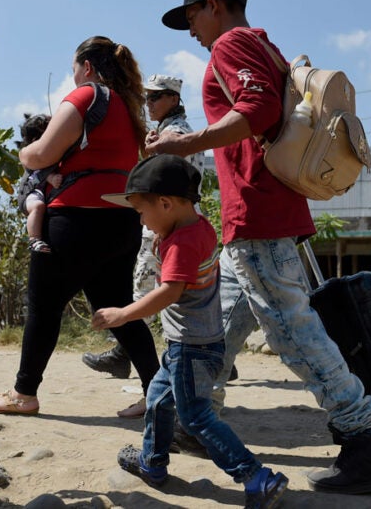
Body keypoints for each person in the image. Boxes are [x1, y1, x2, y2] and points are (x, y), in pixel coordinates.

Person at [150, 0, 371, 495]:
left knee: (292, 330)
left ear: (213, 5)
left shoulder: (231, 42)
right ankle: (192, 418)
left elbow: (259, 111)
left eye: (192, 18)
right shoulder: (264, 44)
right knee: (215, 327)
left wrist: (183, 144)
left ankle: (368, 440)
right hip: (262, 211)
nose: (192, 33)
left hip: (257, 210)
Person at [94, 154, 289, 508]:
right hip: (194, 345)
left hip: (190, 348)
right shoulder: (197, 227)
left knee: (197, 417)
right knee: (156, 398)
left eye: (141, 211)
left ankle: (256, 477)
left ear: (166, 203)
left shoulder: (181, 243)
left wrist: (123, 314)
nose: (141, 220)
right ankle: (152, 463)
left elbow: (169, 292)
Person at [0, 36, 161, 419]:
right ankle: (158, 393)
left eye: (74, 69)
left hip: (76, 219)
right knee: (120, 310)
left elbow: (42, 153)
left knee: (44, 308)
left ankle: (23, 393)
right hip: (122, 220)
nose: (74, 76)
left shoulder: (85, 96)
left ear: (88, 67)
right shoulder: (131, 108)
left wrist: (23, 153)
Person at [82, 74, 222, 381]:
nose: (149, 104)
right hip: (174, 219)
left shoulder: (173, 133)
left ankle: (133, 358)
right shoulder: (169, 131)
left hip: (169, 224)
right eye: (147, 98)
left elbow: (157, 180)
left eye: (155, 97)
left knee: (145, 294)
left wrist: (119, 315)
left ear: (174, 99)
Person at [17, 113, 63, 254]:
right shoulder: (34, 155)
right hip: (30, 193)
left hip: (40, 192)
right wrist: (51, 178)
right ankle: (34, 239)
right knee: (38, 206)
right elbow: (39, 171)